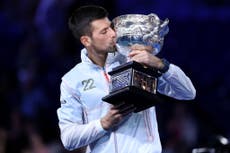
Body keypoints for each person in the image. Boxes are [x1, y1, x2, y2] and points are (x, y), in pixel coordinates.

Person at [57, 5, 196, 153]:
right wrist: (104, 123)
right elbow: (68, 139)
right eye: (104, 31)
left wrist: (160, 64)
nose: (113, 34)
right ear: (86, 40)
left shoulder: (135, 59)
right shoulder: (72, 80)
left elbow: (188, 93)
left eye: (111, 27)